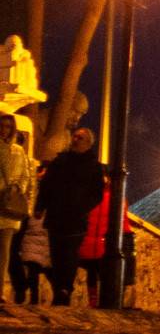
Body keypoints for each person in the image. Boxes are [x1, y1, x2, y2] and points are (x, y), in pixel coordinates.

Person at [35, 127, 105, 305]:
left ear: (88, 143)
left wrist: (82, 207)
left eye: (80, 138)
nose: (75, 140)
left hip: (76, 218)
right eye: (75, 136)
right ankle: (59, 290)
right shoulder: (60, 160)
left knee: (70, 255)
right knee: (56, 255)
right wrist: (40, 206)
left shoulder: (94, 167)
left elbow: (97, 194)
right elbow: (47, 185)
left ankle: (65, 289)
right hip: (56, 215)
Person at [0, 113, 35, 299]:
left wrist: (17, 188)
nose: (4, 130)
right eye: (2, 126)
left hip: (9, 206)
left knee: (5, 252)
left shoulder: (18, 151)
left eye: (8, 126)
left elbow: (25, 175)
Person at [16, 202, 50, 303]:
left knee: (32, 273)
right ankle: (33, 297)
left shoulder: (28, 219)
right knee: (37, 274)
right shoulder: (50, 219)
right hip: (42, 251)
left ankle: (33, 297)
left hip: (29, 250)